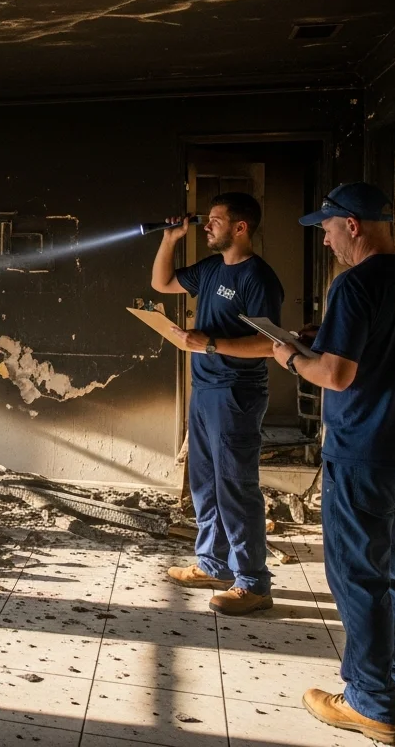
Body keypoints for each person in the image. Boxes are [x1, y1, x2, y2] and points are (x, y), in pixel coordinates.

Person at [275, 182, 395, 745]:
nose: (325, 240)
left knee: (358, 577)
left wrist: (289, 356)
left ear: (352, 225)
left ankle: (370, 702)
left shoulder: (354, 285)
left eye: (327, 228)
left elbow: (336, 375)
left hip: (362, 454)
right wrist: (326, 343)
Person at [151, 192, 284, 615]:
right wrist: (169, 240)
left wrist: (209, 343)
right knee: (205, 484)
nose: (206, 226)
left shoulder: (257, 278)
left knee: (235, 488)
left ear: (240, 228)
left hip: (236, 393)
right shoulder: (210, 268)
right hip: (206, 389)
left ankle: (253, 582)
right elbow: (162, 283)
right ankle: (214, 564)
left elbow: (270, 344)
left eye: (215, 220)